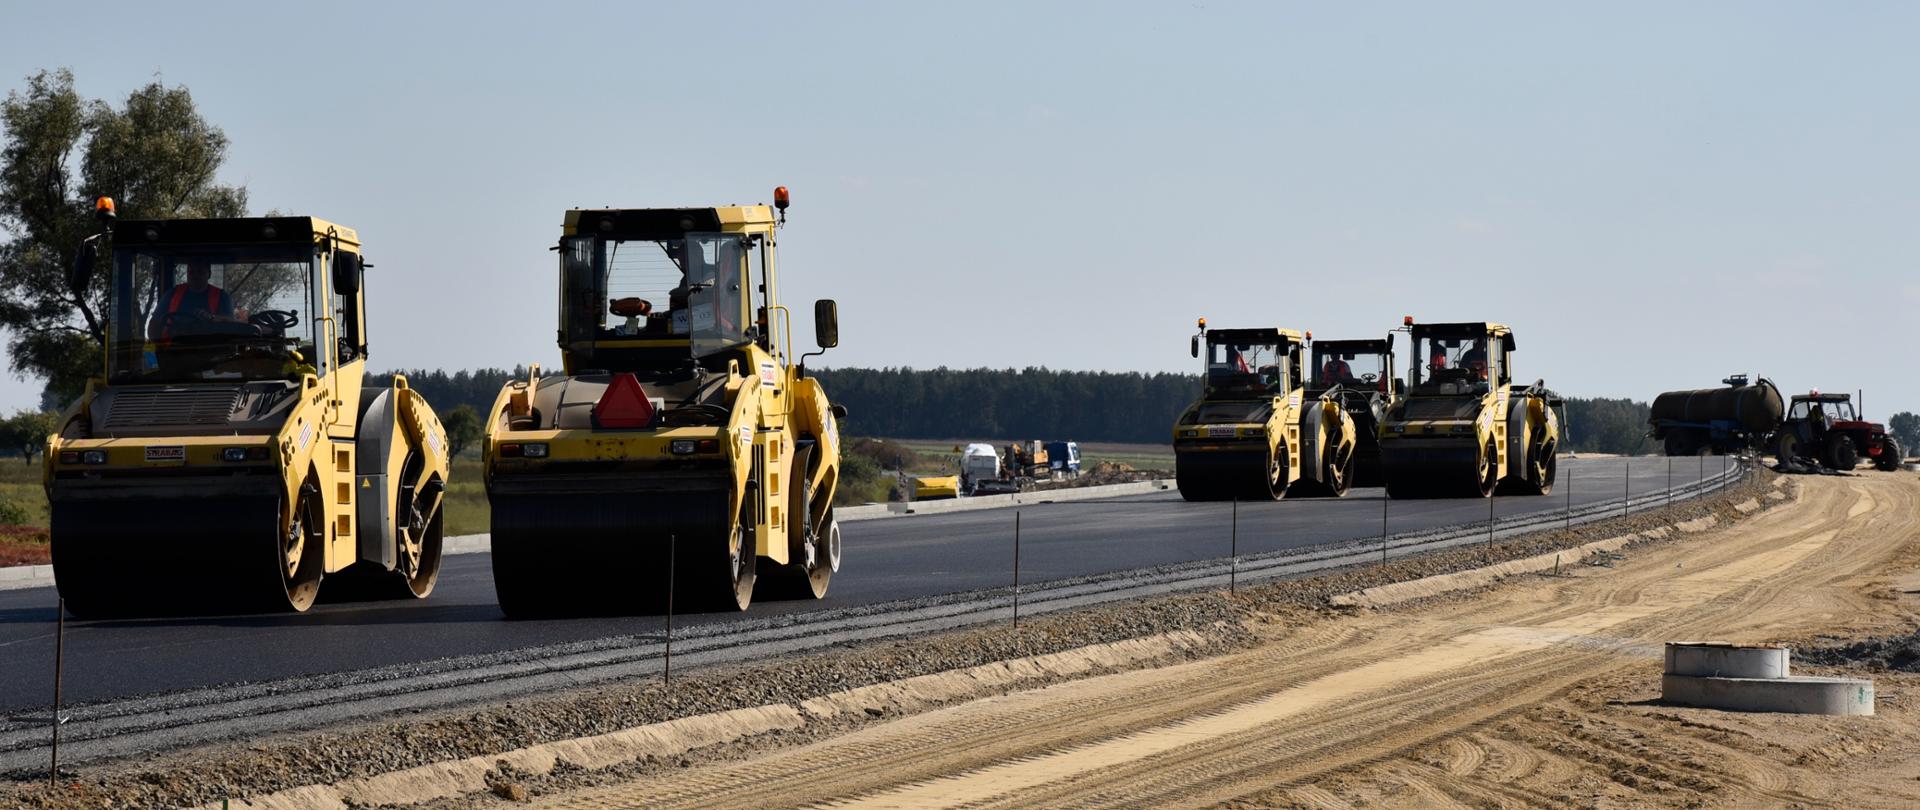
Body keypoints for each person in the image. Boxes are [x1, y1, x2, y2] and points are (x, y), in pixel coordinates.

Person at [149, 259, 235, 342]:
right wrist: (158, 347)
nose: (195, 276)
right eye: (191, 272)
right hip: (174, 348)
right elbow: (154, 324)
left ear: (209, 274)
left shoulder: (221, 296)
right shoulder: (172, 294)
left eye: (200, 272)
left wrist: (211, 318)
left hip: (209, 347)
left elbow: (230, 323)